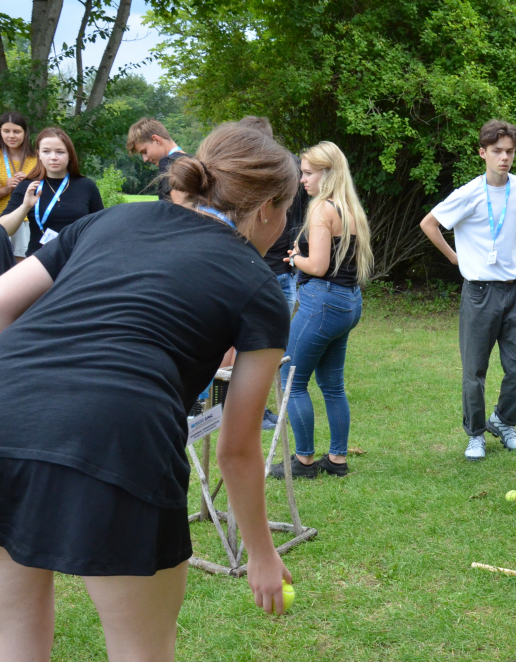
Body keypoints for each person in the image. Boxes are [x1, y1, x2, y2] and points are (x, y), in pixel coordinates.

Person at [0, 123, 299, 661]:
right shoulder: (259, 285)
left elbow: (2, 302)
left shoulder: (112, 218)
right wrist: (260, 553)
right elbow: (236, 449)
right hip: (120, 436)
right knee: (142, 649)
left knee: (12, 629)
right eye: (288, 211)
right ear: (265, 210)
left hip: (6, 404)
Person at [420, 120, 516, 461]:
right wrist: (454, 258)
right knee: (474, 370)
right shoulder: (469, 193)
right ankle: (475, 433)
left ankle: (503, 421)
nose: (504, 158)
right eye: (497, 151)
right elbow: (429, 223)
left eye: (510, 152)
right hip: (479, 292)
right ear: (483, 153)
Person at [268, 141, 373, 480]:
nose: (302, 180)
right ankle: (337, 460)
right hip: (348, 302)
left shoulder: (321, 209)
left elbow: (318, 265)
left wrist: (295, 258)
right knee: (332, 385)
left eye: (308, 173)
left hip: (322, 303)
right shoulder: (350, 208)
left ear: (328, 174)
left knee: (291, 380)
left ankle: (304, 461)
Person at [235, 115, 309, 431]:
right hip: (252, 271)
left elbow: (302, 214)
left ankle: (256, 408)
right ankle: (239, 408)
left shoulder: (289, 169)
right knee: (247, 344)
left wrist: (298, 249)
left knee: (271, 346)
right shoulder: (241, 177)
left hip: (282, 270)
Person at [0, 128, 103, 258]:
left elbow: (100, 226)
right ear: (39, 155)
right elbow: (4, 229)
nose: (53, 157)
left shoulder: (86, 186)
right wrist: (25, 207)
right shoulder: (28, 186)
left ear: (70, 155)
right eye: (46, 151)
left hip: (77, 259)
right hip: (39, 260)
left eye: (60, 152)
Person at [0, 112, 37, 263]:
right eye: (6, 131)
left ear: (25, 133)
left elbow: (48, 189)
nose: (11, 136)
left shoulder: (37, 158)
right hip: (2, 219)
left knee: (22, 263)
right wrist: (5, 189)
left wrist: (28, 181)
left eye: (16, 131)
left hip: (28, 219)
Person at [127, 117, 185, 201]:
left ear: (156, 140)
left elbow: (180, 206)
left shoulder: (168, 163)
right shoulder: (195, 161)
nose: (145, 159)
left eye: (145, 151)